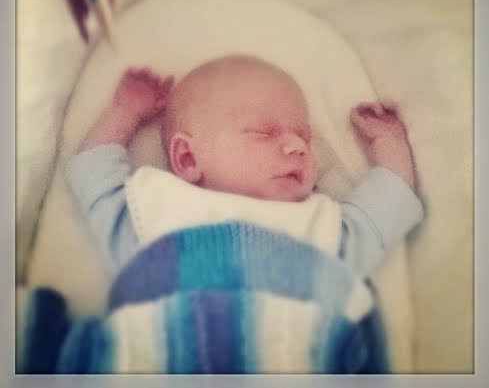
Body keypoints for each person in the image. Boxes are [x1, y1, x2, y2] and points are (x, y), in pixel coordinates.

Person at [67, 54, 422, 277]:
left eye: (304, 137)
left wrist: (389, 143)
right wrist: (126, 112)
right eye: (264, 133)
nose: (298, 146)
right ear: (188, 157)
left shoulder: (320, 232)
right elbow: (91, 171)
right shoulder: (155, 214)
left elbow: (386, 207)